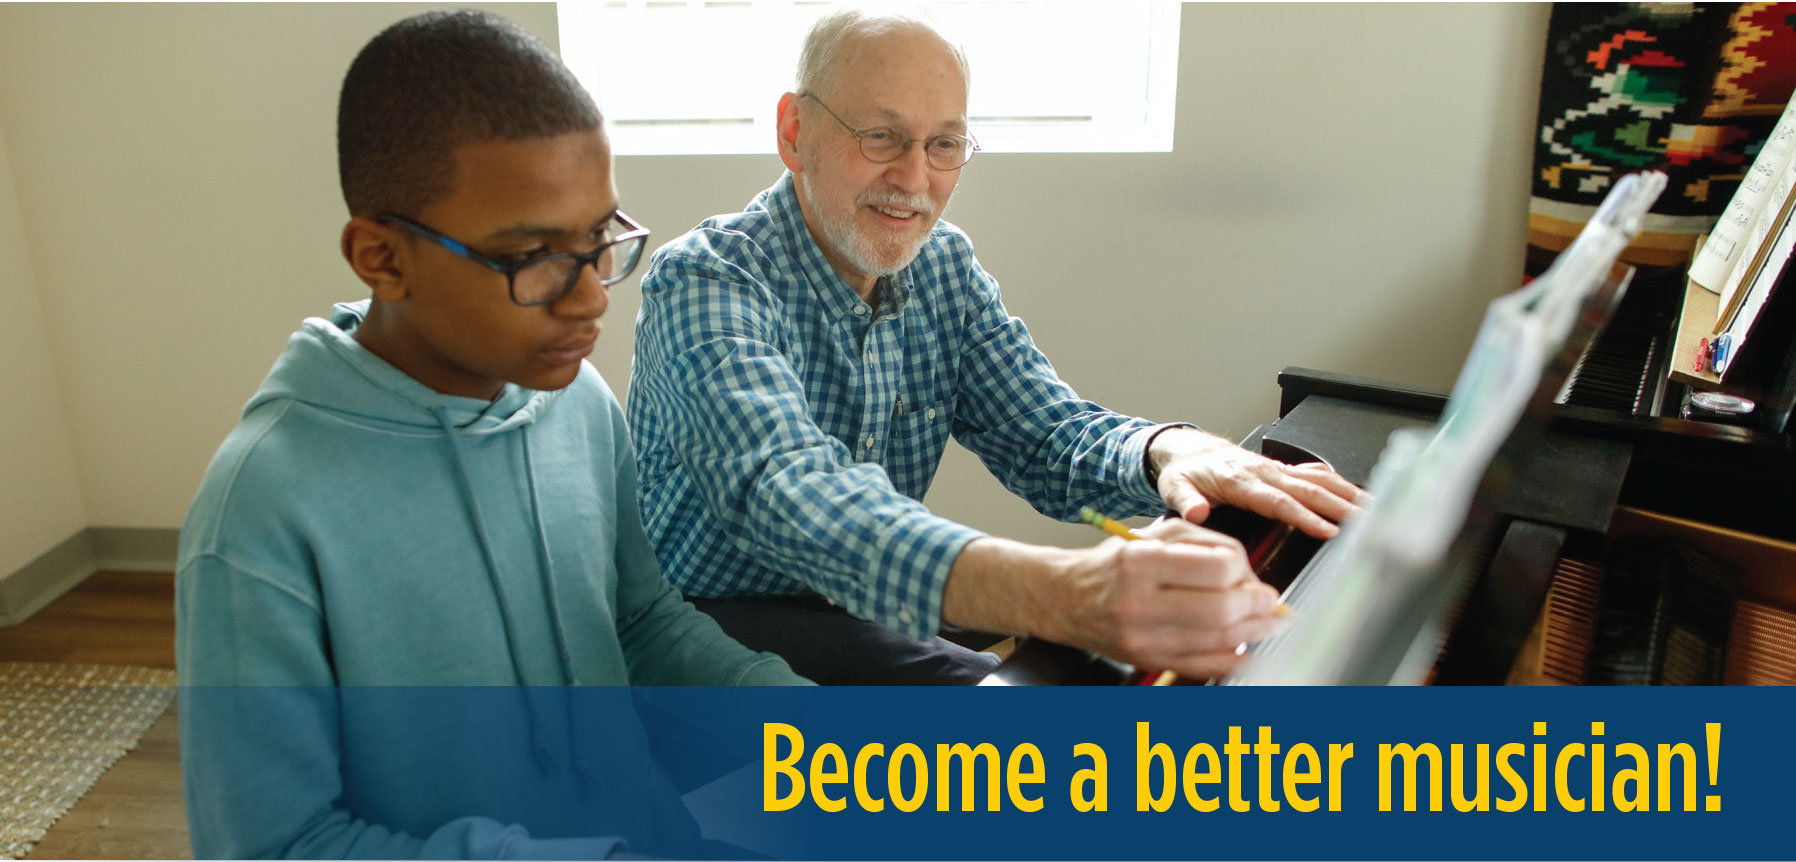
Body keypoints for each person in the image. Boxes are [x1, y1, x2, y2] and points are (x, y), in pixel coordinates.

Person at [175, 10, 809, 859]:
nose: (590, 299)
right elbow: (277, 845)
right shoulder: (261, 515)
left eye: (600, 239)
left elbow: (637, 622)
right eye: (532, 257)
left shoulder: (577, 399)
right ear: (382, 257)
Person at [627, 8, 1366, 685]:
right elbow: (791, 495)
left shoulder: (942, 263)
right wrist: (1062, 592)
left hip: (871, 590)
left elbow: (1045, 435)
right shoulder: (703, 279)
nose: (914, 179)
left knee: (1090, 671)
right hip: (710, 614)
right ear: (794, 133)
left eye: (943, 143)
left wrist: (1168, 449)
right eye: (880, 137)